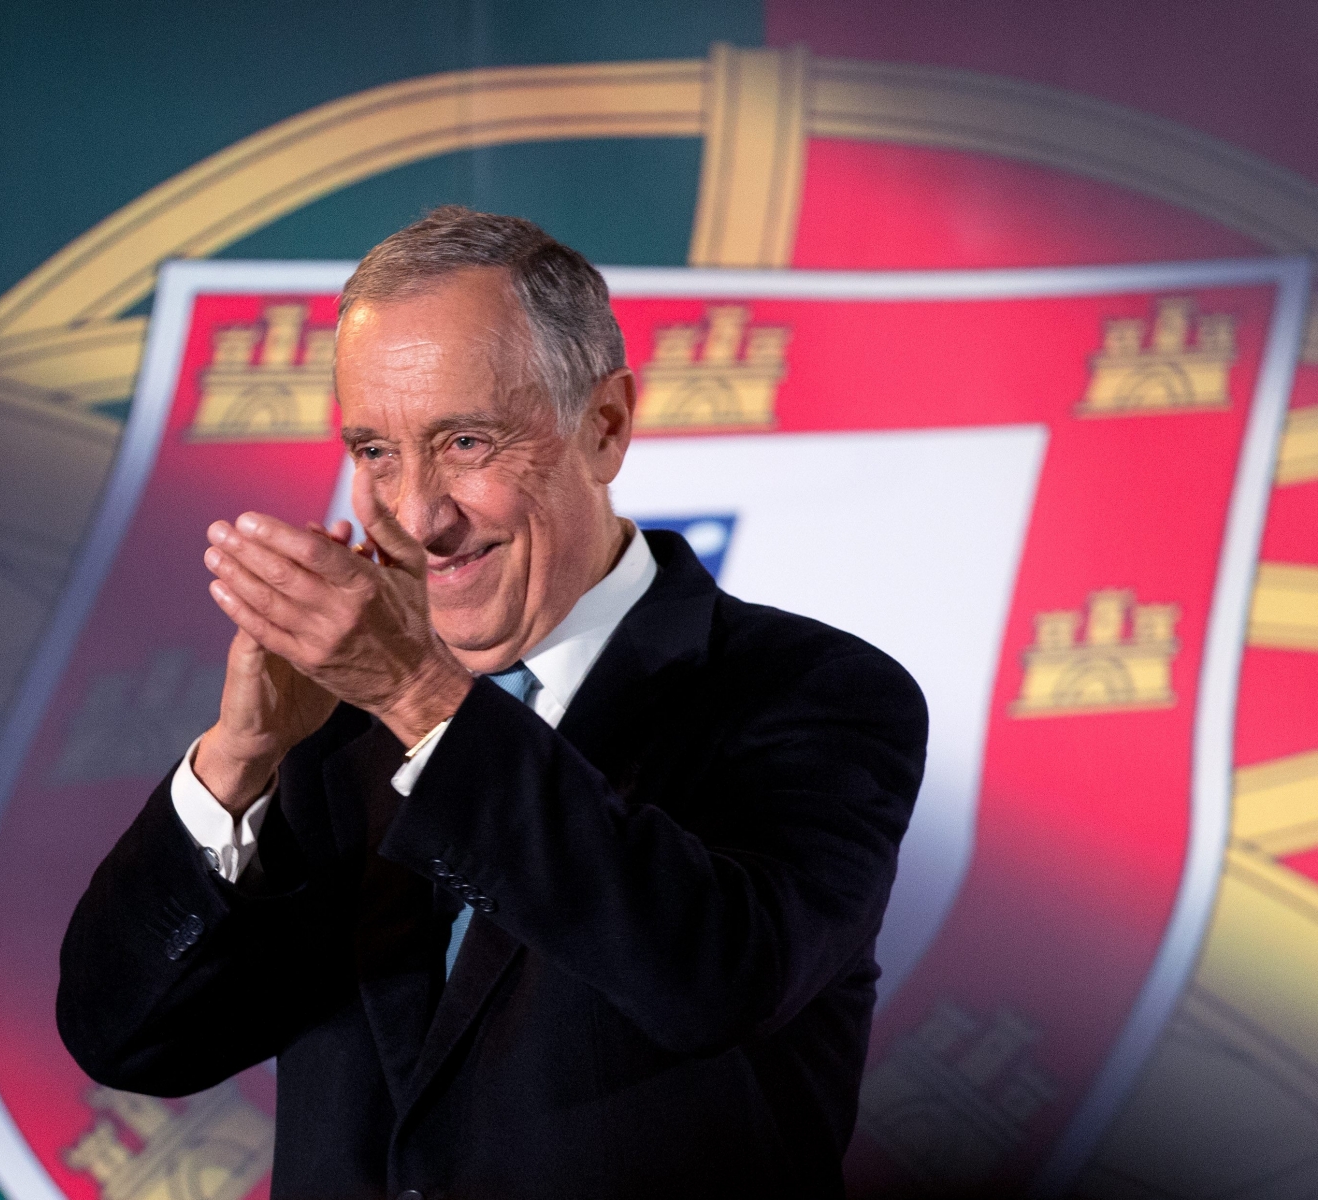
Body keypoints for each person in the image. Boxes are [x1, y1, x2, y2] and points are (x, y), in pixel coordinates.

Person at [57, 207, 928, 1199]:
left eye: (465, 441)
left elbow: (717, 976)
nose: (416, 515)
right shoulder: (332, 731)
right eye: (375, 451)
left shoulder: (814, 693)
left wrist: (415, 694)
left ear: (604, 427)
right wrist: (239, 755)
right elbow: (133, 1040)